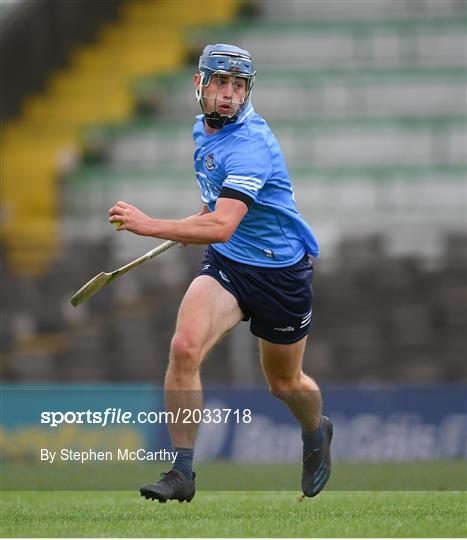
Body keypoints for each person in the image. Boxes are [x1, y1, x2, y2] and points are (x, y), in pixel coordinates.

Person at [109, 44, 333, 503]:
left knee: (284, 384)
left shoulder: (252, 144)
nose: (229, 95)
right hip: (230, 261)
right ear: (200, 85)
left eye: (238, 85)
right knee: (184, 347)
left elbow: (222, 222)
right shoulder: (203, 130)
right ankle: (182, 472)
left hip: (280, 273)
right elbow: (216, 210)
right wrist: (196, 223)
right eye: (220, 83)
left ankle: (316, 431)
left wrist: (150, 224)